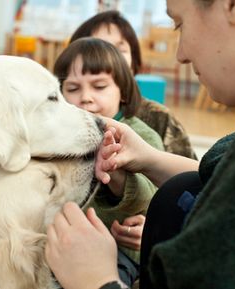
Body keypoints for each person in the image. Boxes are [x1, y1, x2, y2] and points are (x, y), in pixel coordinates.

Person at [45, 0, 235, 289]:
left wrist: (96, 280)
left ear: (234, 4)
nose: (181, 54)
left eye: (179, 24)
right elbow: (218, 172)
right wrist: (149, 158)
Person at [53, 37, 164, 287]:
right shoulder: (59, 136)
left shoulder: (140, 135)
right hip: (57, 242)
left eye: (99, 86)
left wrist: (115, 173)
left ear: (123, 91)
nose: (85, 98)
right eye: (72, 89)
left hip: (115, 253)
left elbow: (148, 196)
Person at [69, 10, 197, 159]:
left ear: (134, 62)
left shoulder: (158, 118)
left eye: (119, 50)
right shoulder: (61, 116)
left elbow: (191, 178)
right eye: (98, 49)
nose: (111, 57)